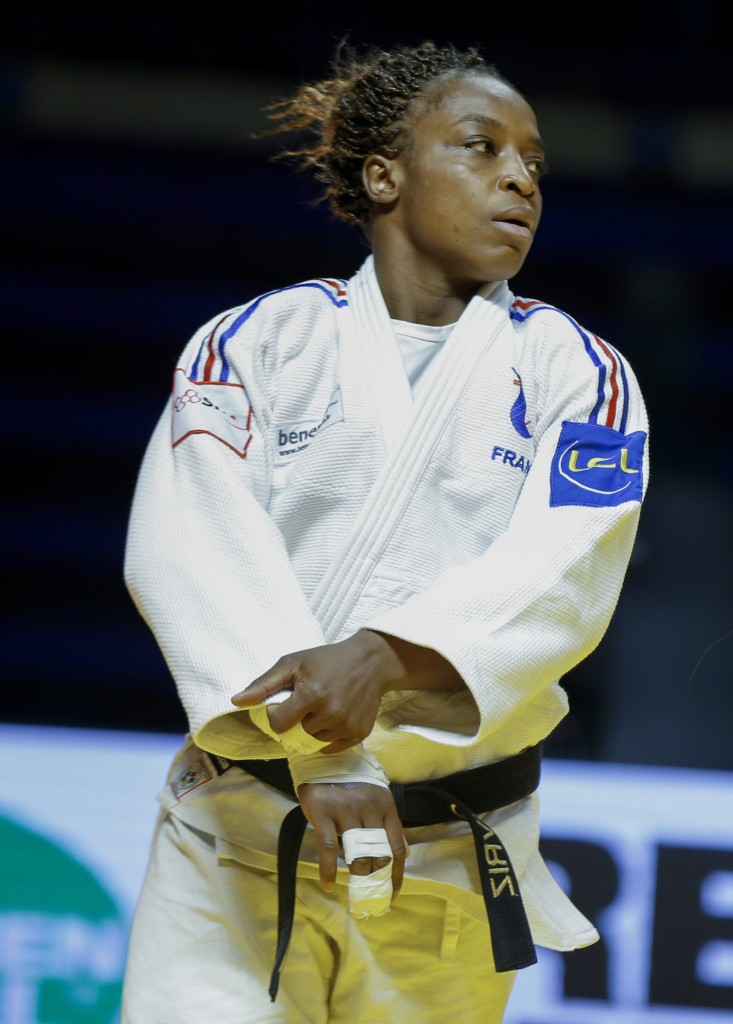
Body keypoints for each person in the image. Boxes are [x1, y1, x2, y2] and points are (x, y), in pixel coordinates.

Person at [120, 39, 650, 1024]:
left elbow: (562, 576)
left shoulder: (579, 373)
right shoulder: (260, 343)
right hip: (237, 840)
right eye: (481, 146)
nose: (520, 179)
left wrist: (380, 654)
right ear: (382, 176)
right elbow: (190, 549)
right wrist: (326, 755)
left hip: (443, 853)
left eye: (533, 163)